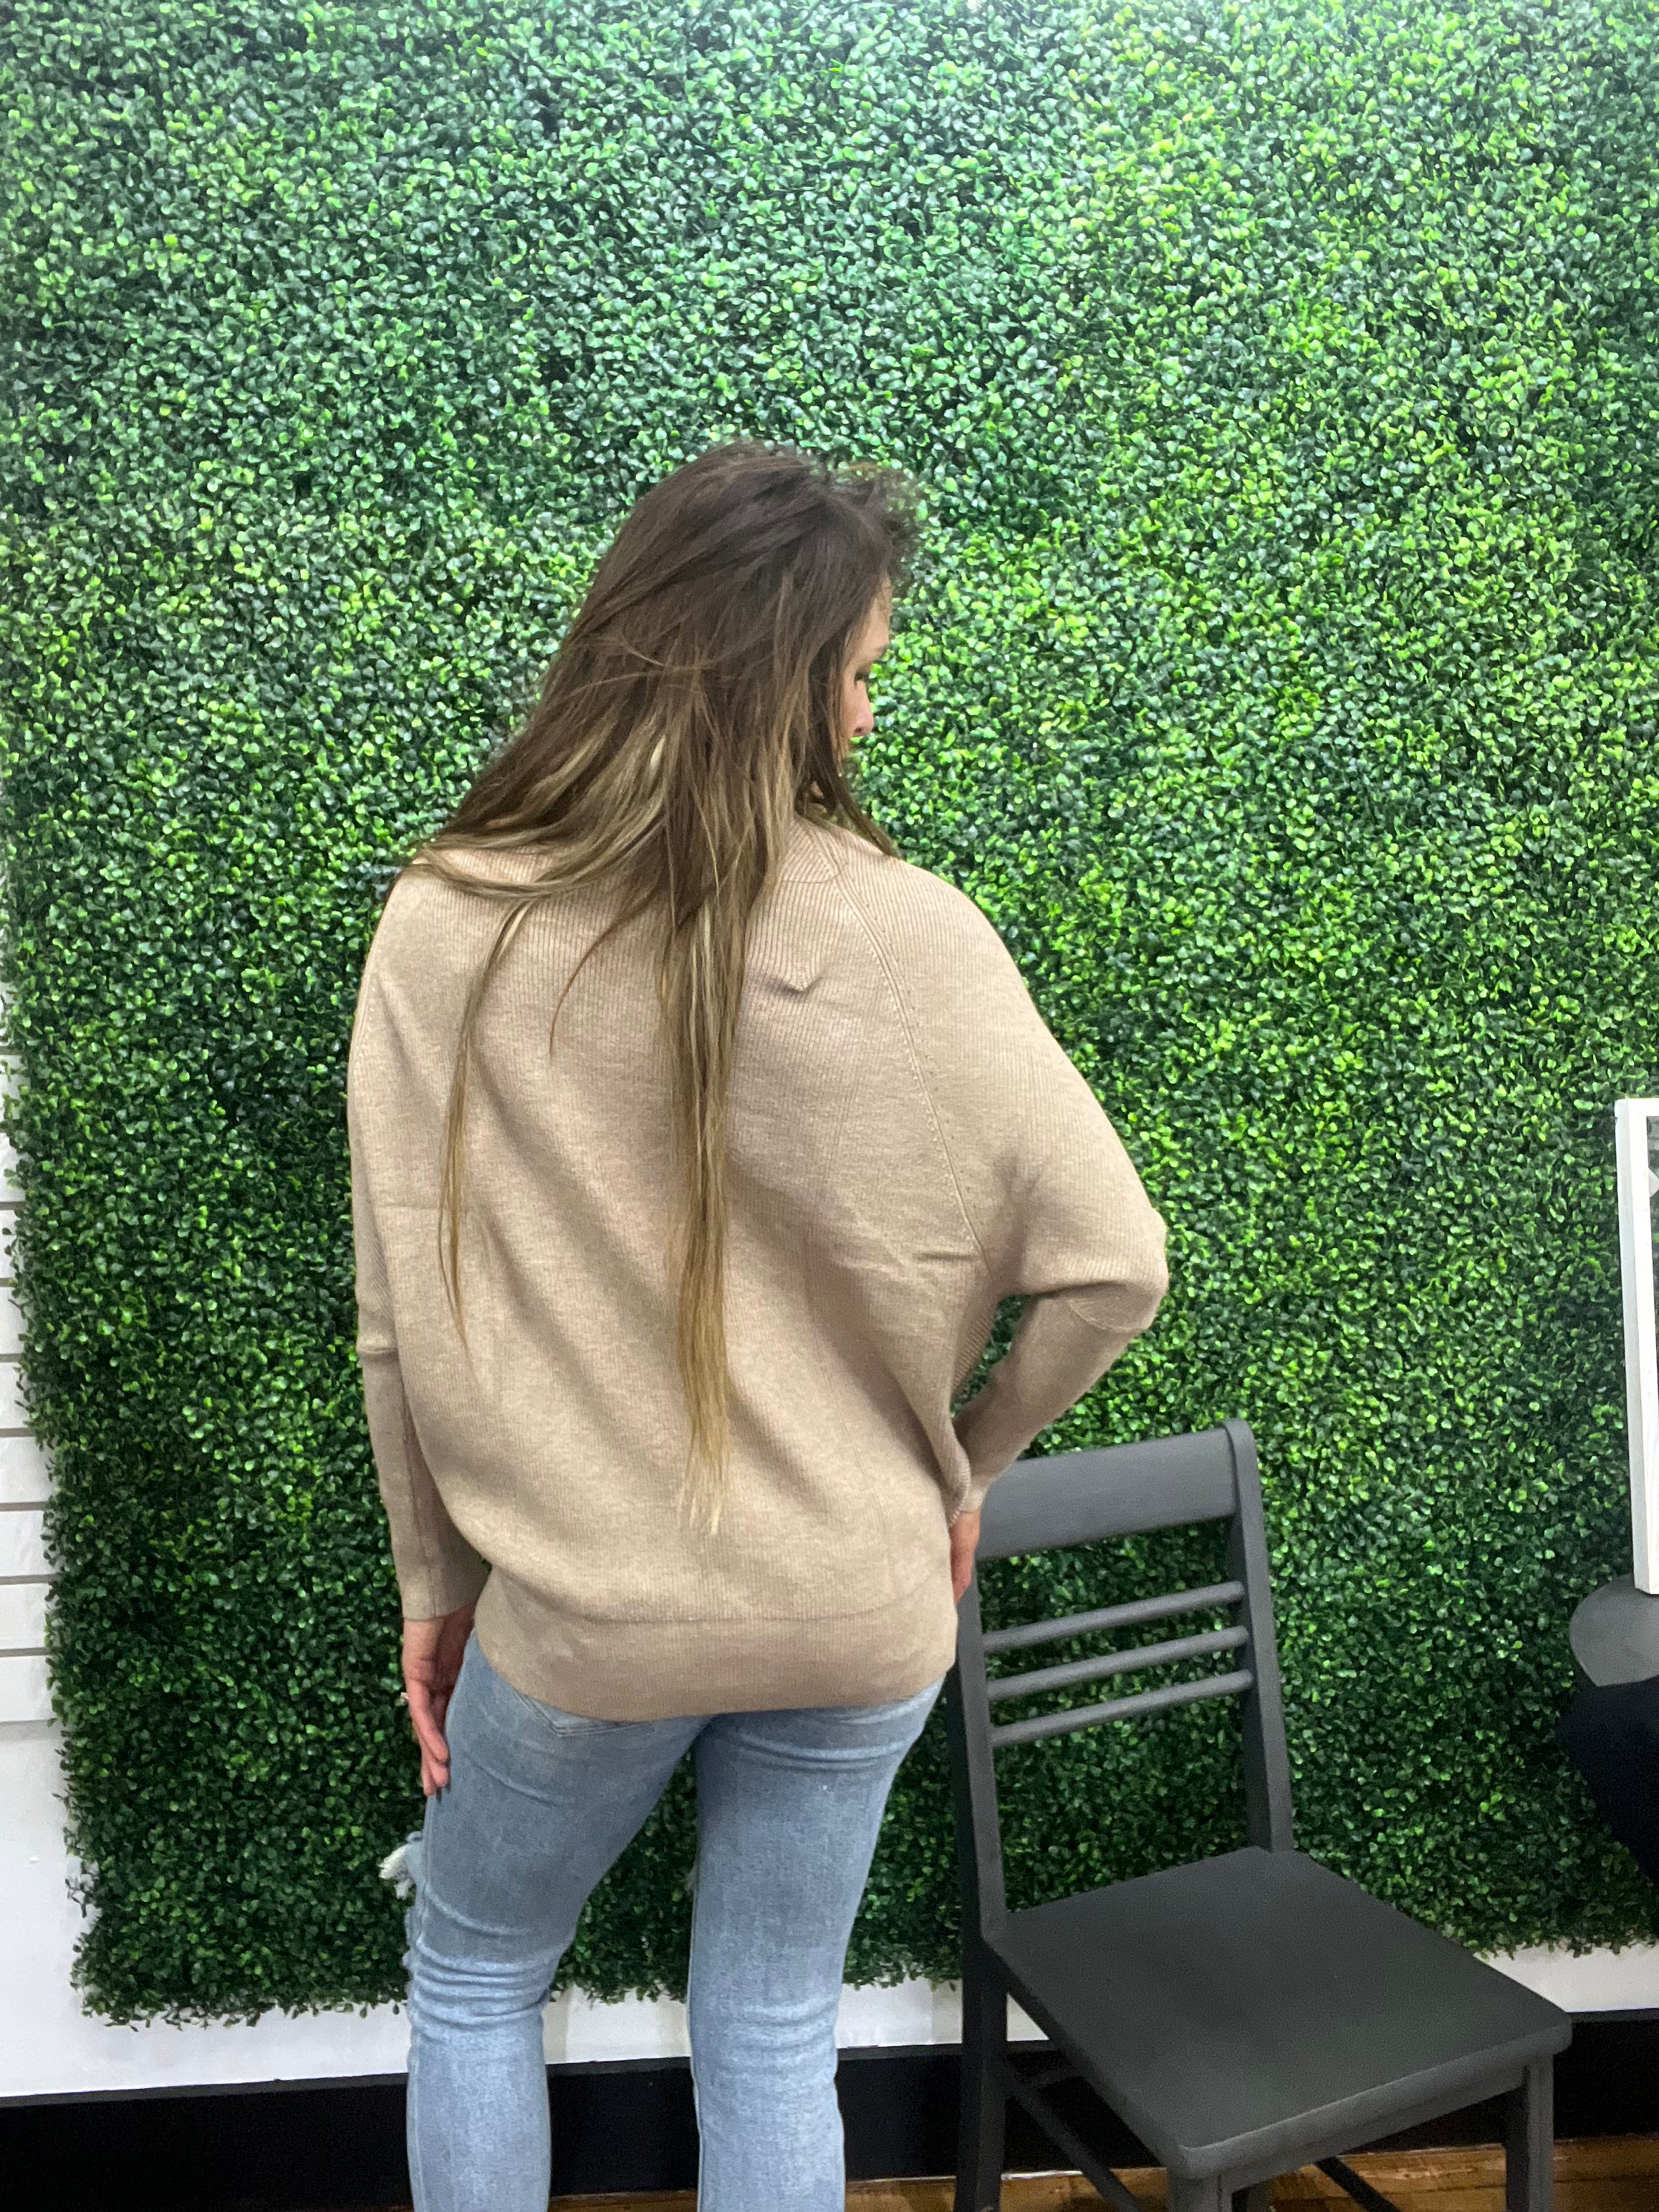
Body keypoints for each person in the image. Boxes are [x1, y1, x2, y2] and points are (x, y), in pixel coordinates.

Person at [346, 439, 1168, 2212]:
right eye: (857, 672)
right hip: (864, 1604)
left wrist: (434, 1582)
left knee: (478, 1968)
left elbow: (402, 1314)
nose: (868, 713)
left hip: (587, 1617)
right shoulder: (919, 934)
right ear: (772, 679)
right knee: (779, 2020)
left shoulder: (446, 920)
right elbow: (1117, 1263)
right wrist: (962, 1465)